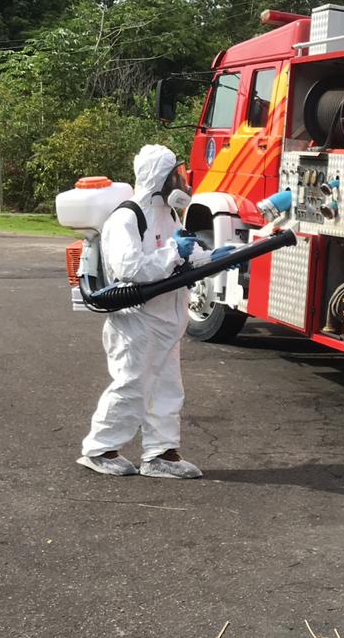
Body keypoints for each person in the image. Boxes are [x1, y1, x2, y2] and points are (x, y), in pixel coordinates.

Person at [77, 145, 233, 479]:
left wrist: (216, 257)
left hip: (167, 321)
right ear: (159, 176)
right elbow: (131, 267)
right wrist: (173, 253)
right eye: (175, 172)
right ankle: (100, 449)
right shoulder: (127, 217)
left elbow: (183, 260)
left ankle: (160, 454)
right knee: (132, 386)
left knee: (166, 389)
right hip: (136, 322)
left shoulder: (169, 214)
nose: (181, 178)